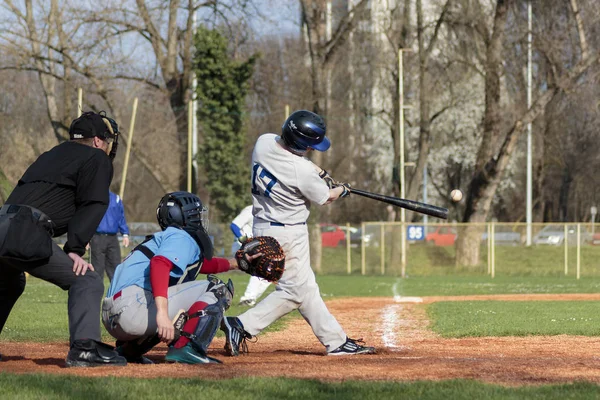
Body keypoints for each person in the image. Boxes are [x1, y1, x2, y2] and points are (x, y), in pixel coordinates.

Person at [220, 110, 376, 356]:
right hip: (288, 236)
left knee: (306, 289)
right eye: (311, 146)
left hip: (263, 227)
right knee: (294, 292)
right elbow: (325, 197)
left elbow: (292, 160)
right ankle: (240, 324)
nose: (313, 150)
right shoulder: (300, 172)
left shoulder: (264, 142)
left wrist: (318, 171)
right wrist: (342, 190)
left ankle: (336, 341)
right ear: (301, 145)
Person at [0, 111, 126, 367]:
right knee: (88, 280)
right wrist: (75, 248)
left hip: (3, 222)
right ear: (97, 141)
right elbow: (93, 203)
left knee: (10, 281)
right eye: (107, 141)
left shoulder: (50, 155)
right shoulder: (96, 158)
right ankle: (84, 350)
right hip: (24, 231)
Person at [102, 191, 253, 364]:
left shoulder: (168, 237)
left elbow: (199, 265)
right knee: (217, 289)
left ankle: (130, 350)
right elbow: (159, 264)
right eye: (196, 214)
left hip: (114, 315)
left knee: (172, 302)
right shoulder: (181, 236)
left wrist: (237, 263)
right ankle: (188, 347)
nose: (200, 218)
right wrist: (162, 314)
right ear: (184, 216)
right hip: (132, 309)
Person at [230, 205, 271, 307]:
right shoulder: (251, 210)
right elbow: (234, 225)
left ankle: (250, 299)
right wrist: (243, 240)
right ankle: (248, 298)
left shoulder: (267, 210)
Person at [90, 191, 130, 284]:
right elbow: (87, 218)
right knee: (97, 269)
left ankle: (116, 295)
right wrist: (85, 237)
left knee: (115, 269)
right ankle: (96, 295)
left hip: (112, 239)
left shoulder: (115, 199)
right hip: (97, 237)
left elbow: (121, 217)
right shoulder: (93, 197)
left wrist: (125, 234)